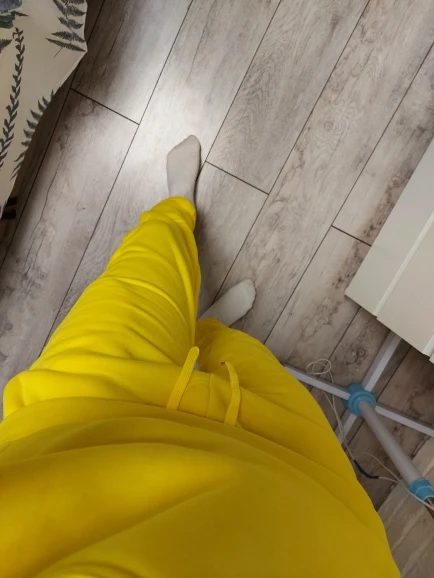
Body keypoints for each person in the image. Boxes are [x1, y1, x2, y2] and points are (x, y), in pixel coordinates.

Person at [0, 136, 398, 577]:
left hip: (73, 430)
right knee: (242, 358)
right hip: (294, 489)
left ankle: (177, 208)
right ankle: (208, 332)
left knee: (144, 272)